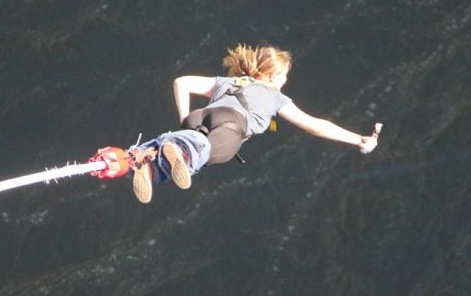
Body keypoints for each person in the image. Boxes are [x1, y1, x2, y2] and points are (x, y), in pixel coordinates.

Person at [127, 43, 380, 203]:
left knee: (173, 155)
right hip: (231, 126)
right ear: (272, 76)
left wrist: (185, 118)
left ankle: (142, 162)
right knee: (205, 153)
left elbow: (181, 82)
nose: (285, 81)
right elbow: (316, 126)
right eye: (284, 76)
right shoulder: (276, 97)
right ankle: (179, 150)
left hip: (199, 118)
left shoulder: (229, 82)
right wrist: (359, 140)